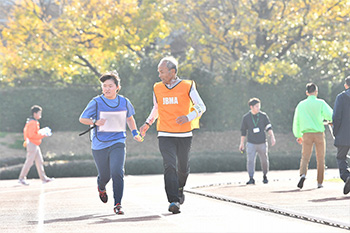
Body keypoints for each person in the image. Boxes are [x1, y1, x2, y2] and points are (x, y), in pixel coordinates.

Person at [139, 56, 206, 214]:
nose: (160, 75)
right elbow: (156, 108)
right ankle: (173, 200)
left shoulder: (187, 86)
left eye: (162, 72)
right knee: (169, 165)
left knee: (183, 168)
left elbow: (201, 106)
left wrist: (188, 117)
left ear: (173, 72)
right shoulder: (157, 88)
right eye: (159, 72)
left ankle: (180, 188)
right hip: (164, 133)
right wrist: (147, 123)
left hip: (184, 134)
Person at [79, 71, 143, 215]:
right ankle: (101, 187)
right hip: (99, 143)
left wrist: (135, 133)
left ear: (117, 87)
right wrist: (95, 121)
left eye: (110, 86)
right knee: (105, 175)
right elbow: (82, 118)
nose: (107, 89)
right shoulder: (96, 102)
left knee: (117, 171)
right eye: (104, 86)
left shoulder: (124, 102)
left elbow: (130, 119)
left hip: (118, 141)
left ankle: (118, 204)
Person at [292, 83, 333, 189]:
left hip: (306, 134)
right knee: (320, 158)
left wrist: (298, 135)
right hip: (319, 133)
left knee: (305, 157)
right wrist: (330, 120)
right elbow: (330, 115)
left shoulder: (301, 104)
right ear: (316, 92)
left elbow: (296, 121)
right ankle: (319, 182)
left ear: (306, 92)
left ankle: (303, 174)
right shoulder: (321, 103)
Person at [239, 98, 276, 185]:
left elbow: (268, 127)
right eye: (256, 106)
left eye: (259, 106)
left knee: (264, 160)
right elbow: (243, 131)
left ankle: (265, 176)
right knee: (250, 160)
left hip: (262, 142)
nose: (258, 108)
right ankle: (251, 178)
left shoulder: (263, 116)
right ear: (251, 107)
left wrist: (272, 137)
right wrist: (242, 143)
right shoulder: (246, 117)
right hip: (251, 143)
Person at [18, 105, 54, 185]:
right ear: (35, 113)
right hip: (32, 143)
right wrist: (43, 134)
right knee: (29, 161)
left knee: (39, 161)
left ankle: (43, 178)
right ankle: (21, 178)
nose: (40, 114)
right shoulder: (32, 122)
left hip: (34, 144)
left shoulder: (32, 122)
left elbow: (31, 134)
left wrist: (41, 133)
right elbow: (31, 135)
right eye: (39, 113)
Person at [332, 76, 350, 195]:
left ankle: (346, 176)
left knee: (341, 157)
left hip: (344, 134)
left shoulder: (341, 97)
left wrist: (335, 131)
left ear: (346, 85)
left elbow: (336, 117)